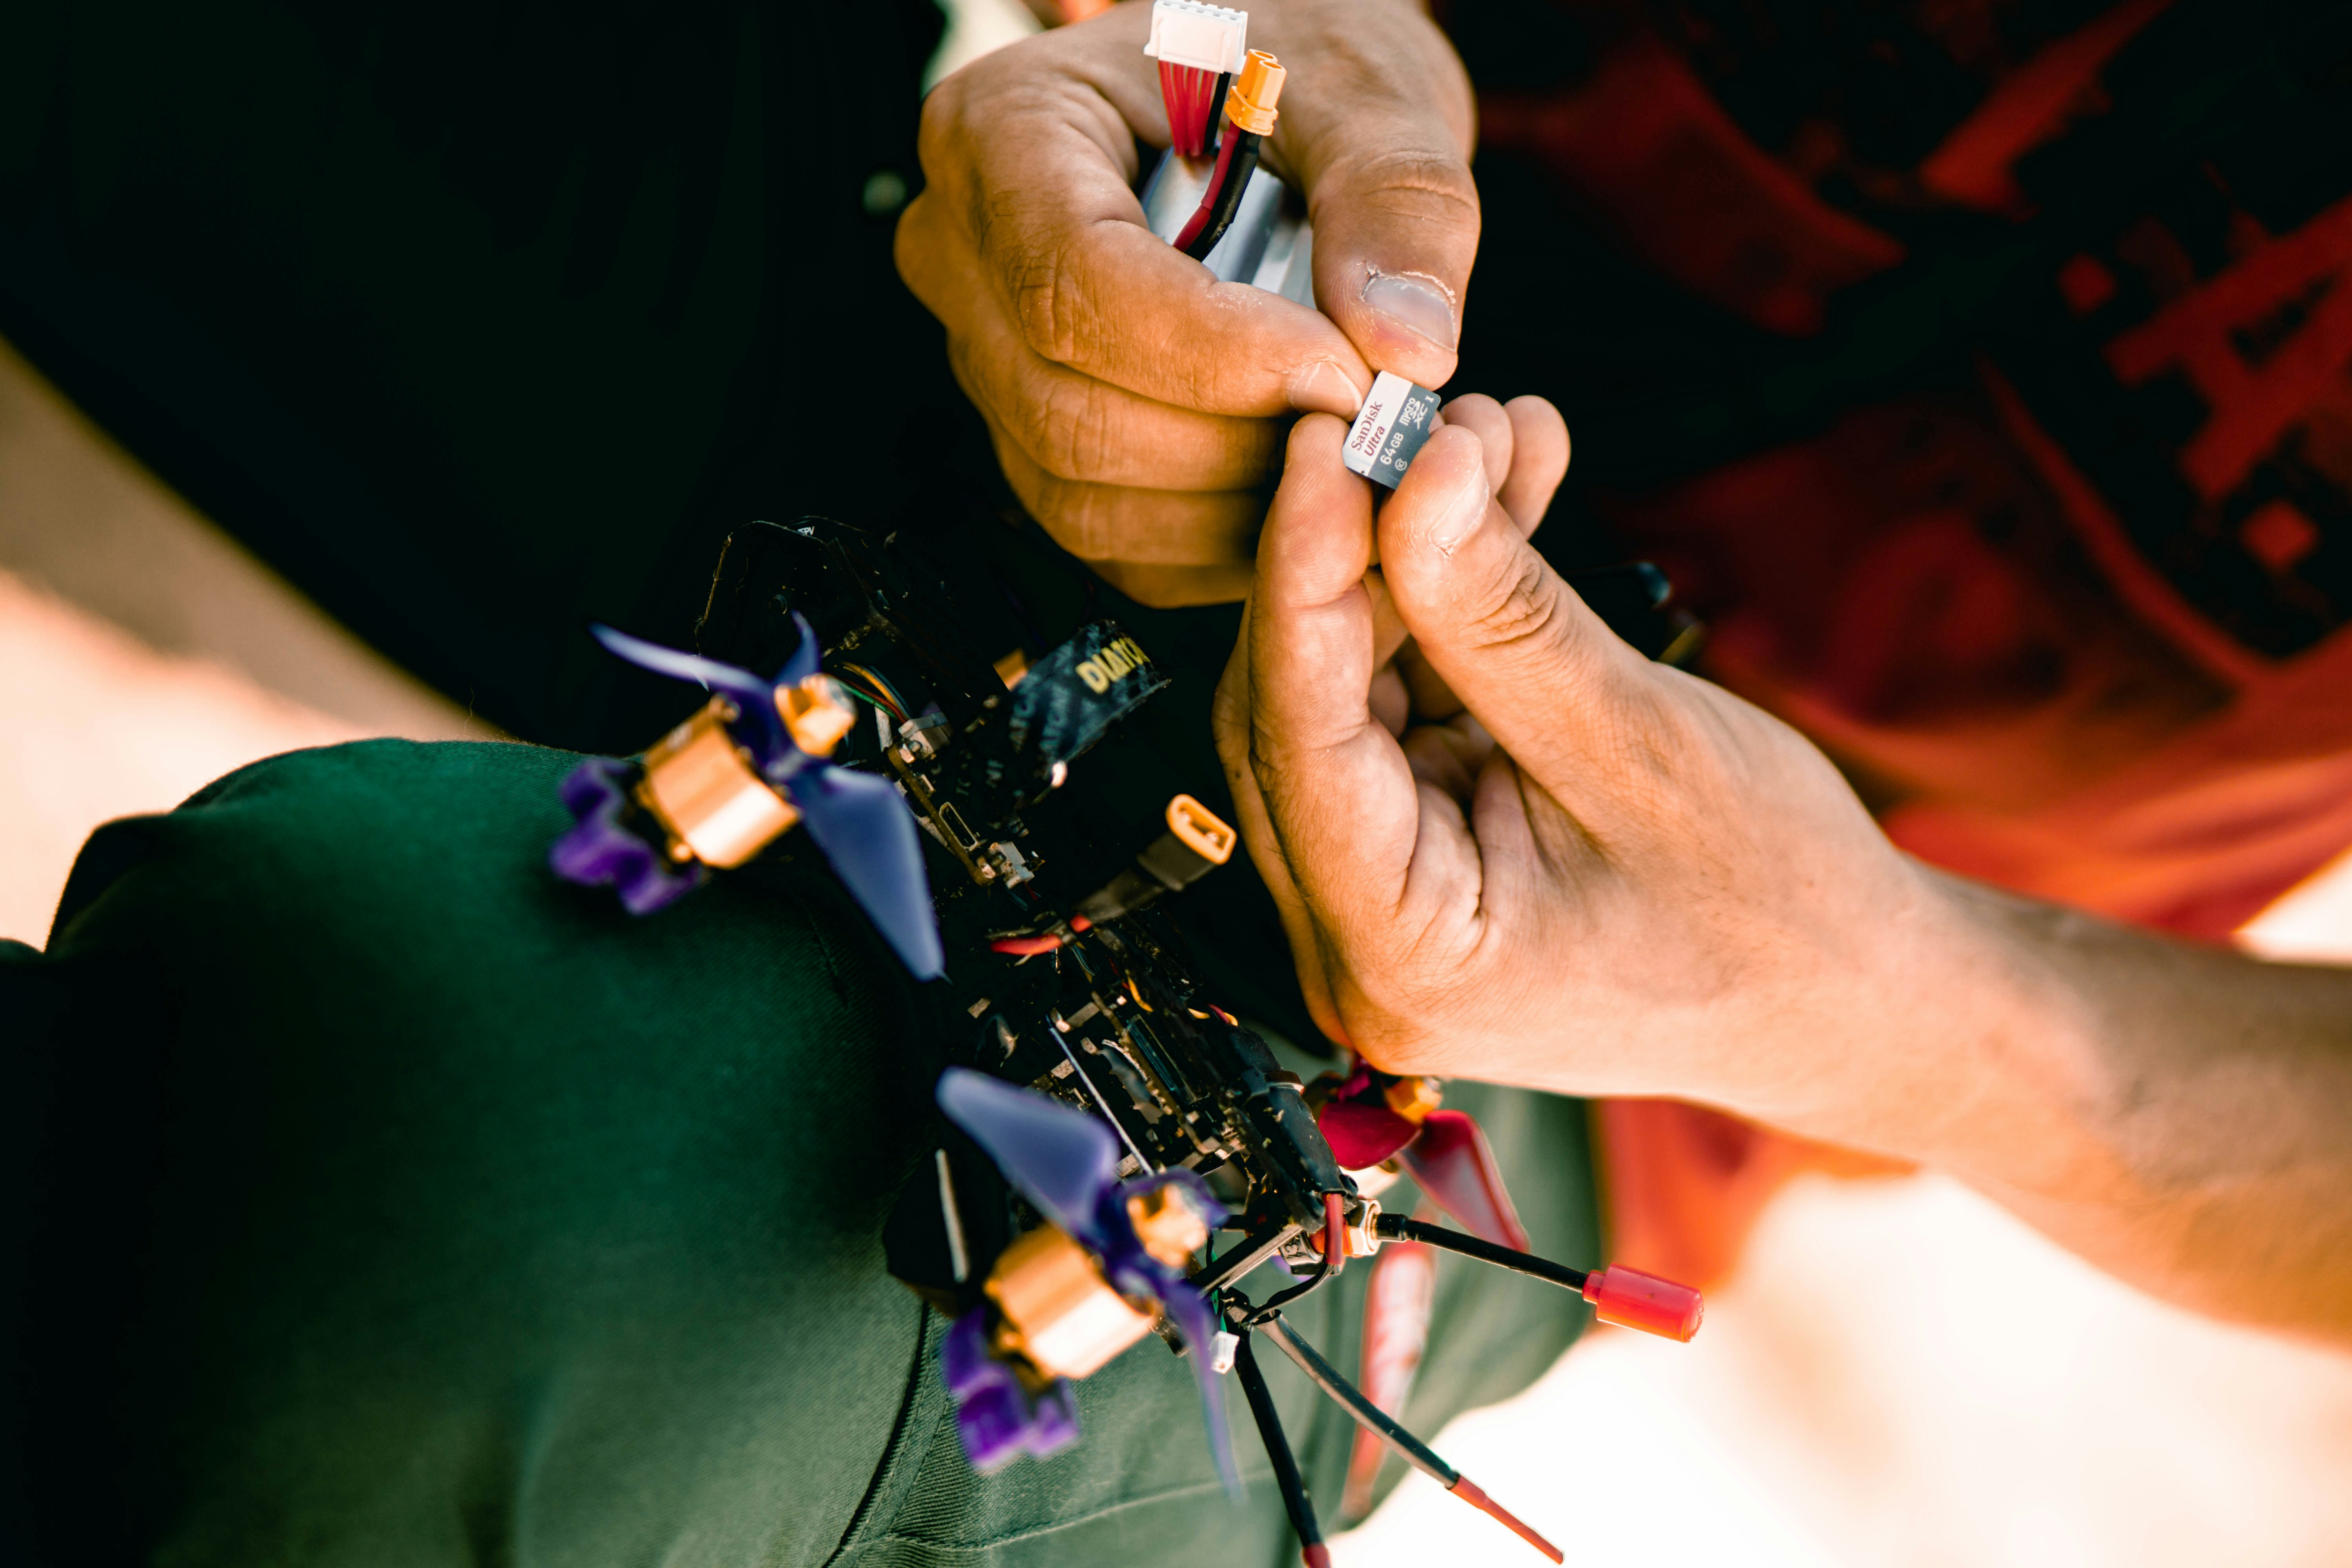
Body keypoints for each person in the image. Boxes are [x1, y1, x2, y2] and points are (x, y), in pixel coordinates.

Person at [904, 0, 2352, 1341]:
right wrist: (1245, 27)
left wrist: (1905, 1003)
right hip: (1007, 350)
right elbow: (1200, 24)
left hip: (1601, 1056)